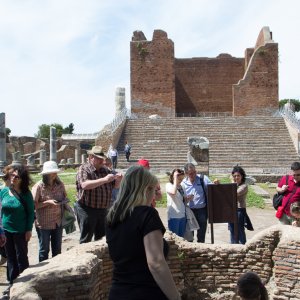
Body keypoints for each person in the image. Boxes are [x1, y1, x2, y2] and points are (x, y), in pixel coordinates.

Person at [106, 166, 181, 300]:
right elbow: (156, 263)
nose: (154, 195)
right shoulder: (147, 214)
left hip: (118, 292)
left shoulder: (112, 217)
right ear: (146, 190)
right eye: (154, 189)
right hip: (145, 292)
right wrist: (175, 297)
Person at [75, 146, 122, 244]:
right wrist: (104, 180)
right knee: (86, 238)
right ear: (91, 157)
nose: (102, 161)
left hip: (102, 209)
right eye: (99, 158)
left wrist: (118, 179)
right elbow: (84, 185)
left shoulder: (105, 170)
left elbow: (115, 187)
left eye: (102, 158)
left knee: (102, 238)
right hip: (87, 208)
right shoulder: (84, 169)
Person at [0, 164, 35, 295]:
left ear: (22, 179)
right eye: (12, 175)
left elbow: (31, 213)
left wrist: (28, 230)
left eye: (17, 176)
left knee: (21, 257)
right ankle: (12, 283)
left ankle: (25, 283)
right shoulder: (4, 191)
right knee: (10, 257)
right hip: (6, 230)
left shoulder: (26, 194)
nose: (13, 178)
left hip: (20, 231)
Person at [32, 161, 67, 262]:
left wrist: (64, 201)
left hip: (57, 222)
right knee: (44, 250)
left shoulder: (60, 185)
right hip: (43, 224)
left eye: (55, 172)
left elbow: (65, 197)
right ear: (46, 174)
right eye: (52, 172)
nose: (55, 174)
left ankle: (56, 273)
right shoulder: (38, 186)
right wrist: (48, 202)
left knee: (57, 250)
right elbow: (33, 206)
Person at [181, 163, 211, 243]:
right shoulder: (183, 183)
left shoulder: (203, 179)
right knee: (190, 235)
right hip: (189, 211)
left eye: (194, 172)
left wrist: (216, 184)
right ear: (186, 174)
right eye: (190, 173)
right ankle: (191, 251)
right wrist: (186, 199)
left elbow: (212, 189)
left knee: (201, 234)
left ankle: (201, 249)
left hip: (202, 211)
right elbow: (180, 198)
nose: (193, 175)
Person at [228, 166, 252, 244]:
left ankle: (242, 247)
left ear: (242, 176)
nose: (236, 177)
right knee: (232, 229)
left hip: (239, 210)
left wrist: (232, 182)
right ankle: (232, 246)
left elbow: (234, 193)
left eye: (238, 175)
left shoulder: (244, 186)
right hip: (231, 210)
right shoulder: (233, 185)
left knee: (240, 229)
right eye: (234, 176)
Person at [166, 169, 191, 238]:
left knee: (181, 238)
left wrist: (188, 198)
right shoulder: (169, 185)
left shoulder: (182, 186)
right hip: (174, 216)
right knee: (175, 238)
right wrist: (175, 180)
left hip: (182, 214)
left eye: (182, 179)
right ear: (173, 177)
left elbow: (184, 200)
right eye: (179, 179)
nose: (180, 181)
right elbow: (173, 193)